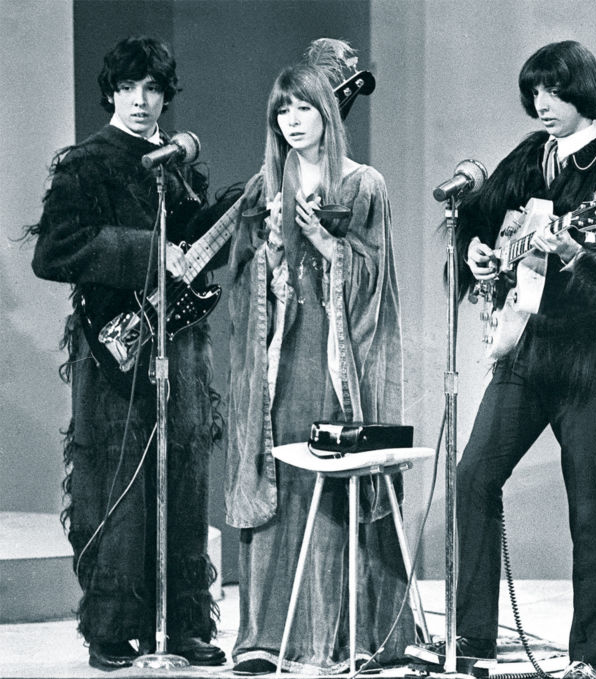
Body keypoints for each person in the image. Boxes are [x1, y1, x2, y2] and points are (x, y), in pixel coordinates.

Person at [413, 41, 596, 679]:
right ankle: (471, 640)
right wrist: (476, 252)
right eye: (535, 93)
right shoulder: (531, 157)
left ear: (583, 91)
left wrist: (577, 252)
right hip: (526, 353)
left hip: (590, 369)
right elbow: (479, 224)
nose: (543, 104)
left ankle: (586, 658)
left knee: (588, 510)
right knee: (473, 477)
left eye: (554, 91)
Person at [29, 36, 236, 670]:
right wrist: (147, 249)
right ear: (112, 94)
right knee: (117, 481)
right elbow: (54, 251)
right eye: (128, 89)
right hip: (112, 347)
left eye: (152, 89)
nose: (141, 101)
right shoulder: (86, 163)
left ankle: (183, 625)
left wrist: (231, 216)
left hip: (181, 343)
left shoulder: (178, 165)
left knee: (185, 476)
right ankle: (112, 629)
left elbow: (196, 251)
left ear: (166, 96)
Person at [224, 40, 414, 673]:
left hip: (336, 361)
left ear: (328, 112)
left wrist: (324, 243)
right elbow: (244, 281)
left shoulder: (364, 184)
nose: (293, 121)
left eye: (304, 108)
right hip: (281, 356)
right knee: (278, 482)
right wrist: (274, 250)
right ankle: (264, 638)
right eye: (283, 112)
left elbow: (377, 279)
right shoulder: (263, 187)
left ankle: (340, 636)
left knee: (331, 486)